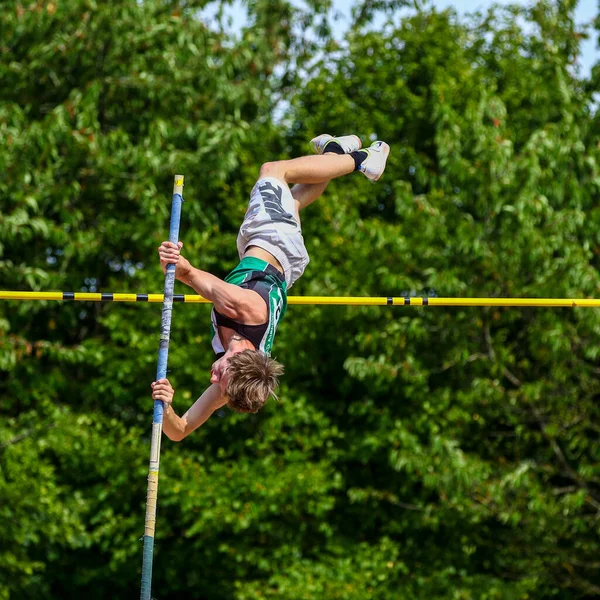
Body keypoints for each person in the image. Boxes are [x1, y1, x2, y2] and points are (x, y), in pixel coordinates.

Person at [151, 134, 390, 441]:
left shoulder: (236, 376)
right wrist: (179, 267)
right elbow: (202, 282)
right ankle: (364, 161)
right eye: (219, 375)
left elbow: (179, 431)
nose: (213, 376)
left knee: (292, 200)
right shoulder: (249, 313)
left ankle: (335, 152)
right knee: (273, 171)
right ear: (237, 365)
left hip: (277, 258)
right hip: (272, 240)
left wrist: (167, 407)